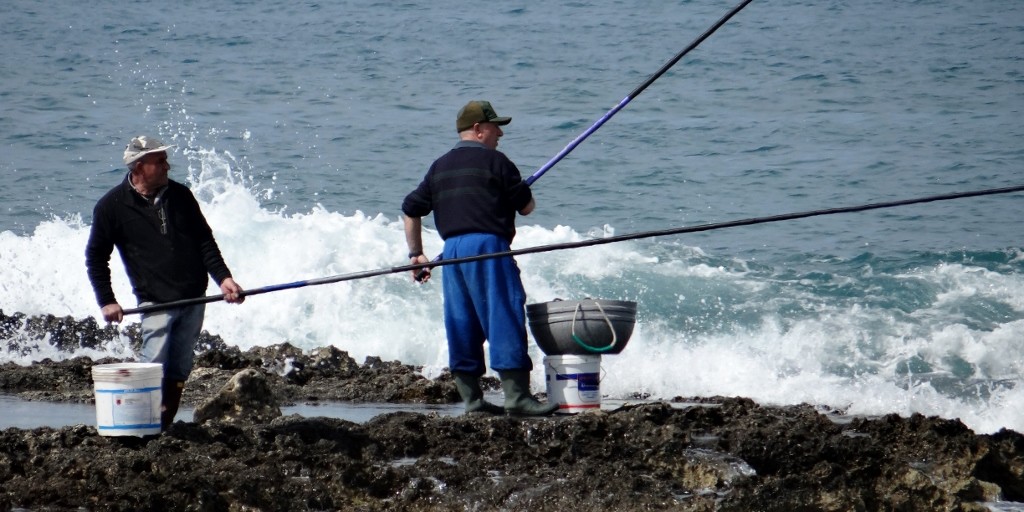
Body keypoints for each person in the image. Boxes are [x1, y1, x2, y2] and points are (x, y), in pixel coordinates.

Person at [402, 100, 557, 416]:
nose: (500, 133)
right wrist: (517, 191)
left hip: (453, 253)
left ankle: (472, 400)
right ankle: (516, 397)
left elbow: (410, 209)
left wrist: (416, 254)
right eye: (495, 126)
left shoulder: (439, 166)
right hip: (489, 246)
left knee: (461, 321)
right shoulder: (496, 161)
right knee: (503, 313)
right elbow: (527, 207)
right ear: (477, 129)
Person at [85, 135, 245, 431]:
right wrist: (107, 300)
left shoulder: (181, 196)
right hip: (155, 300)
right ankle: (141, 428)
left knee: (179, 370)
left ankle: (161, 428)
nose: (167, 166)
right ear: (139, 166)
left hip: (194, 297)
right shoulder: (111, 207)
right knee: (152, 369)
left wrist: (224, 279)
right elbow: (96, 257)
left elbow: (205, 242)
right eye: (159, 161)